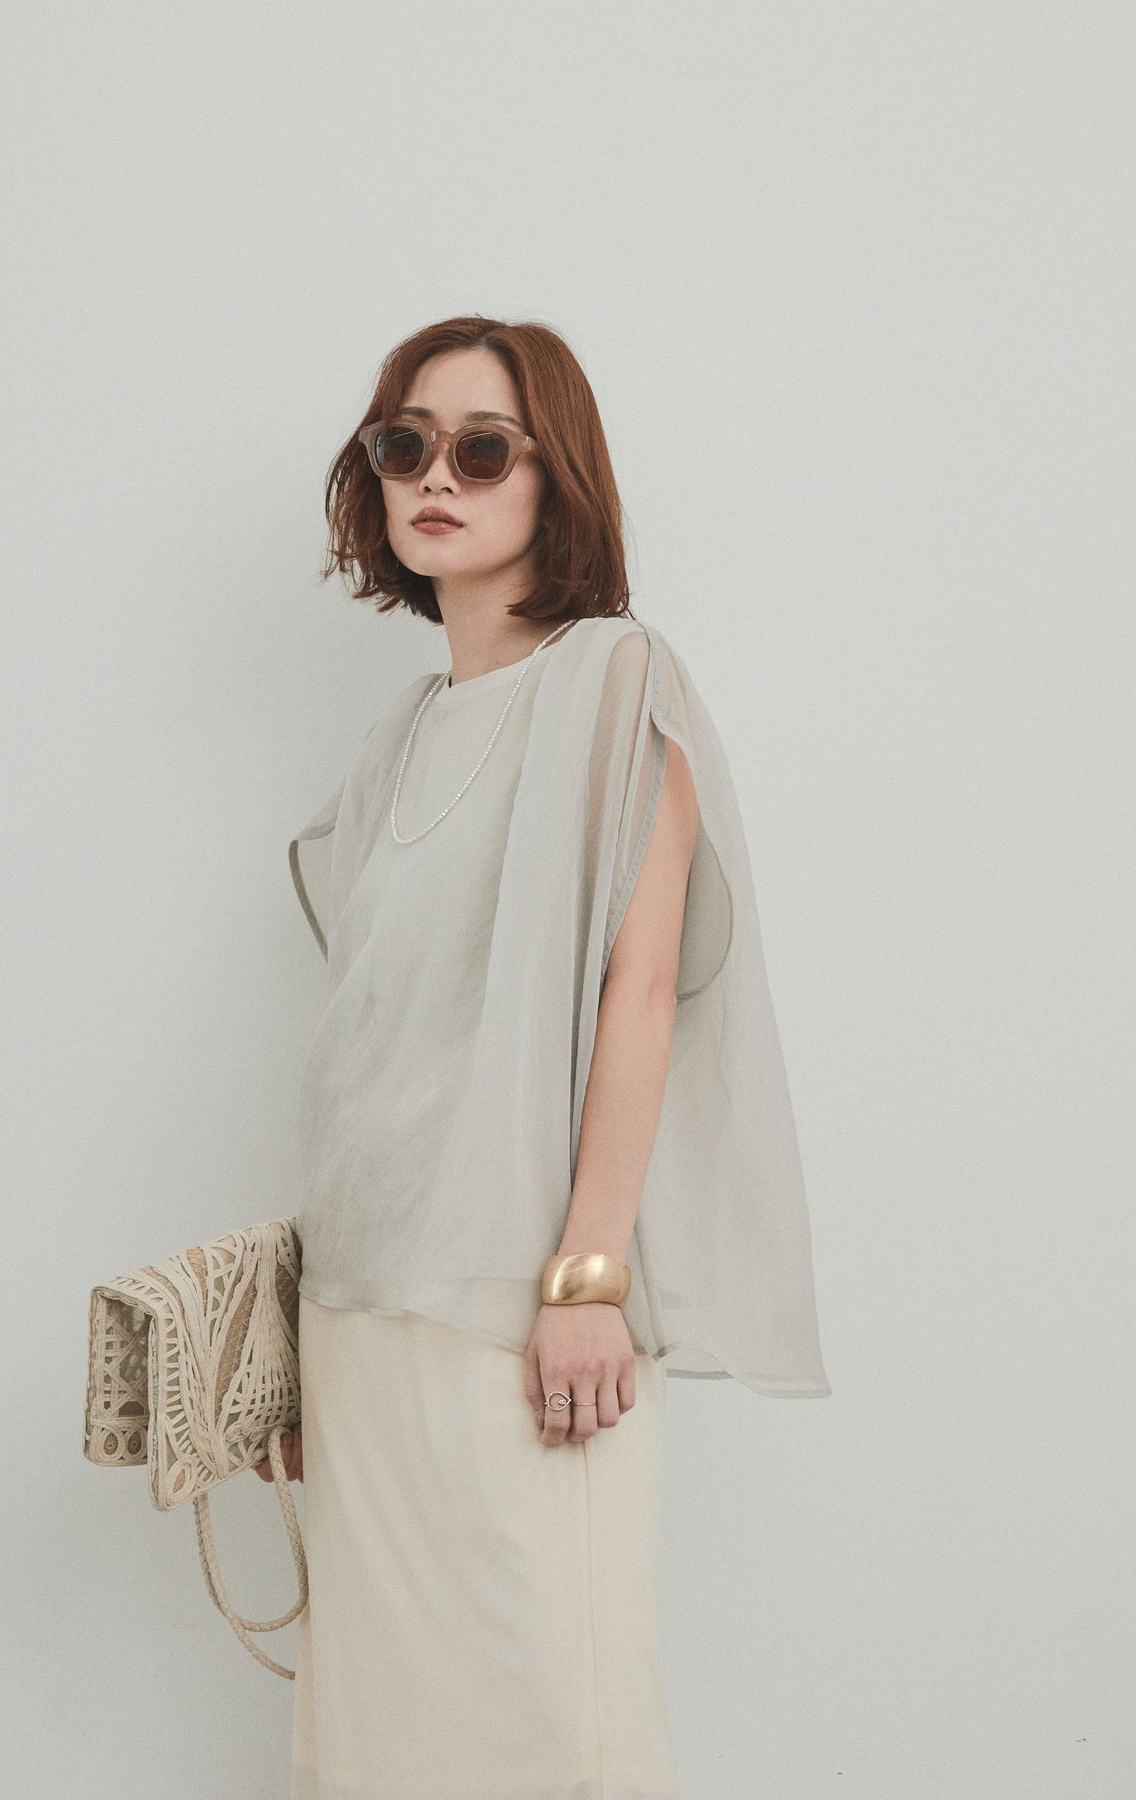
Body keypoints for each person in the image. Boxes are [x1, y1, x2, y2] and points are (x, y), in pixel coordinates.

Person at [260, 315, 831, 1800]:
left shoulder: (616, 677)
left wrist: (589, 1280)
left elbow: (641, 992)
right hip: (361, 1306)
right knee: (381, 1736)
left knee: (550, 1725)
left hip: (519, 1309)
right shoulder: (399, 736)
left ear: (554, 475)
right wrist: (296, 1333)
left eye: (481, 448)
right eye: (403, 446)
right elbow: (368, 1044)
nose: (433, 478)